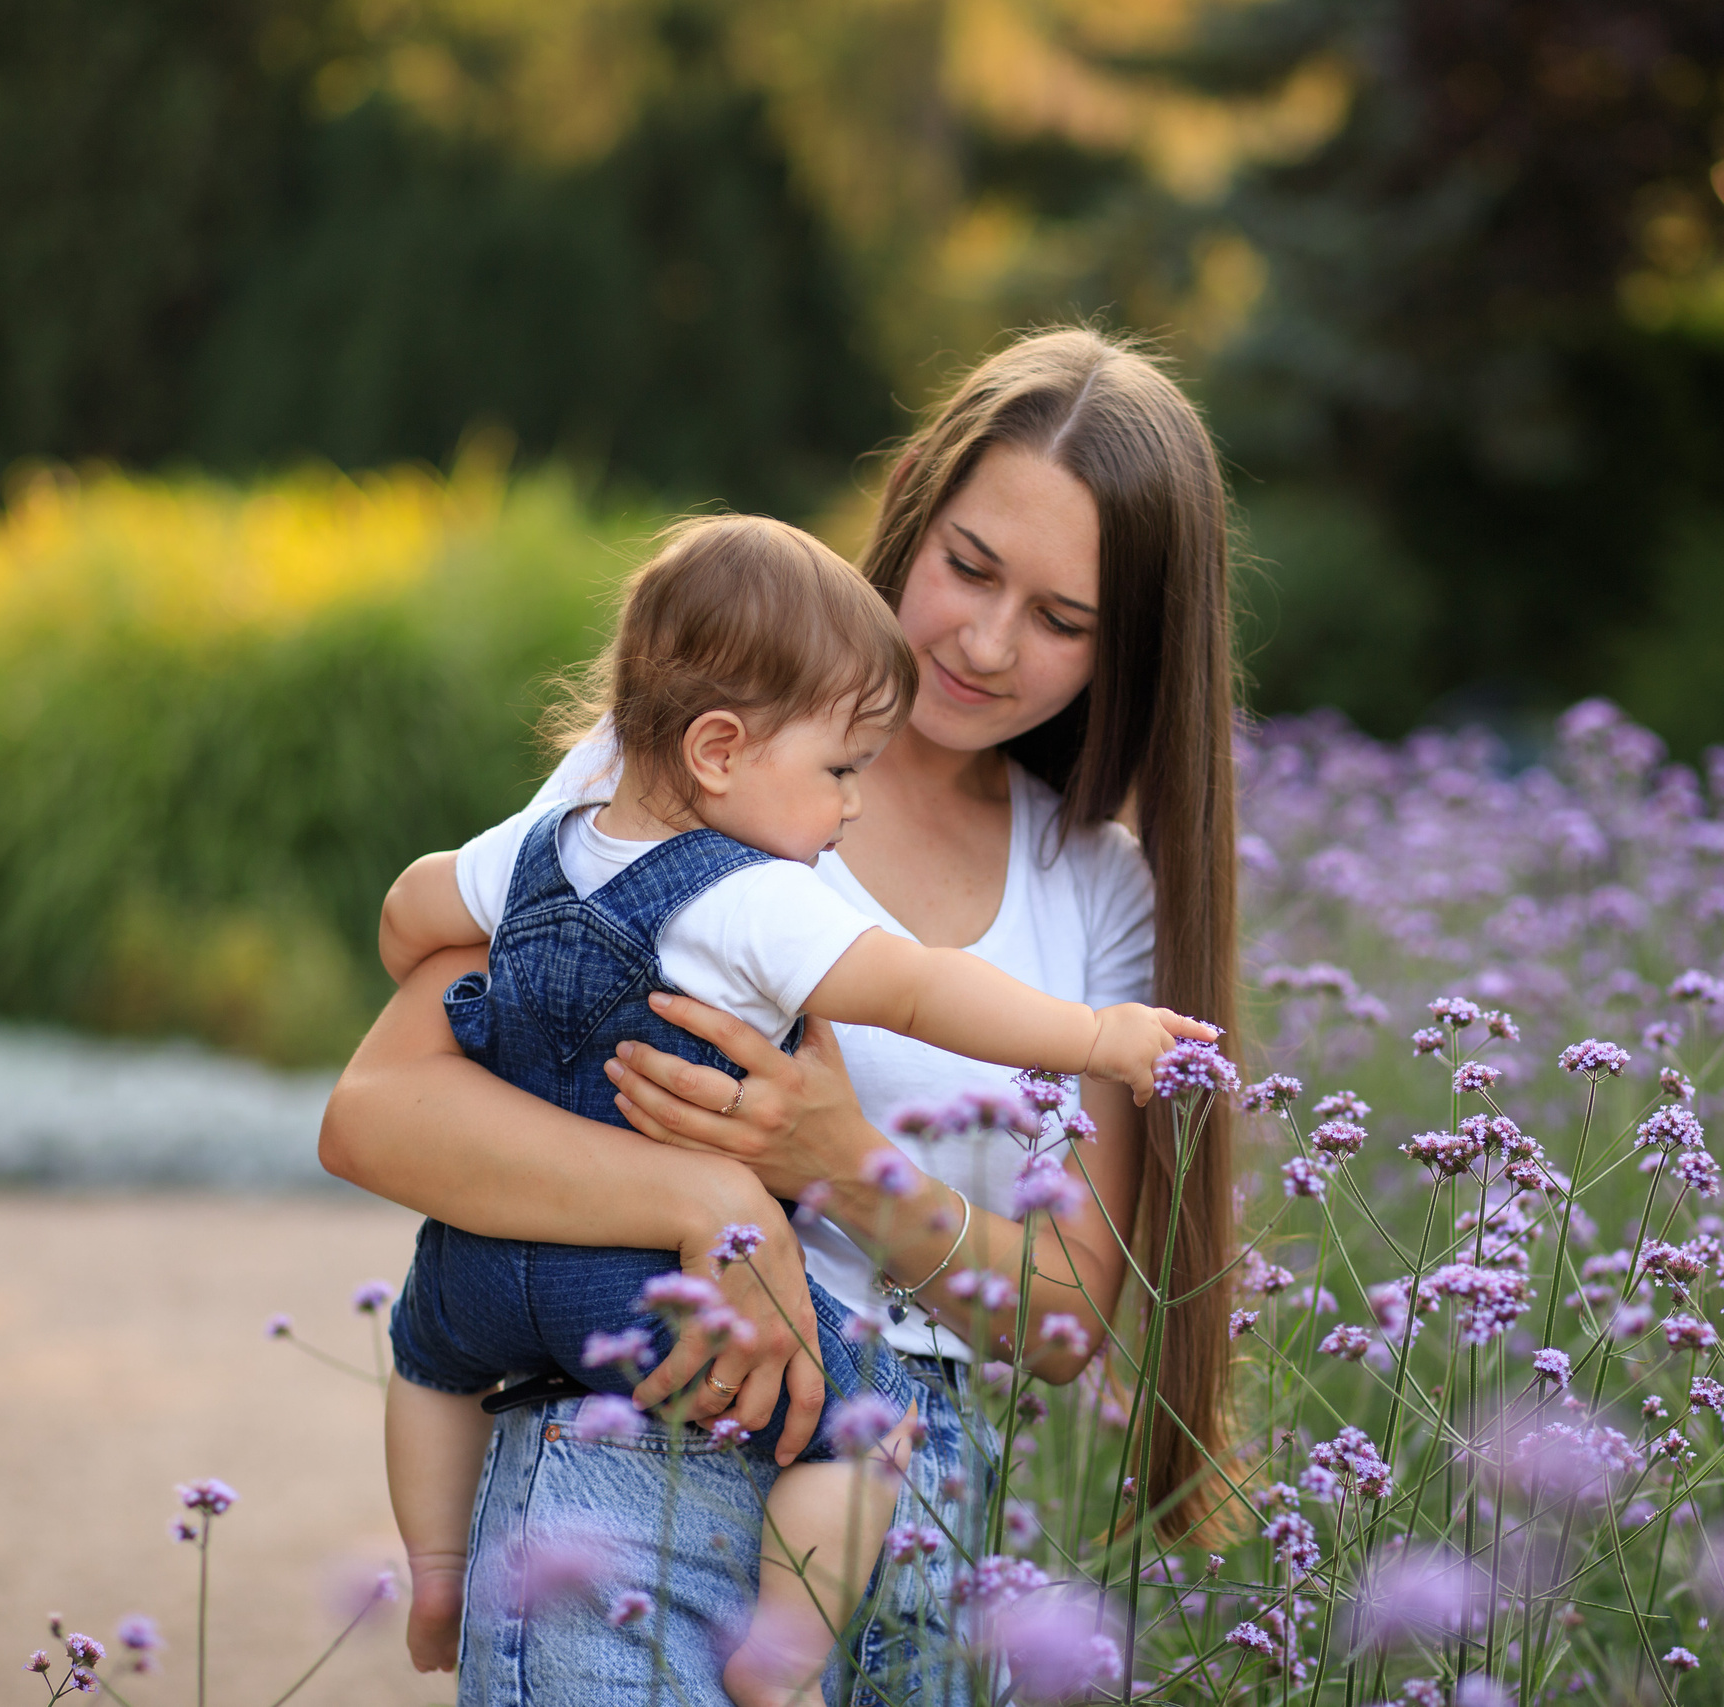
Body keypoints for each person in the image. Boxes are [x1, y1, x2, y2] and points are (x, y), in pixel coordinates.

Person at [320, 326, 1242, 1705]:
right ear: (911, 515)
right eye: (969, 569)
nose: (987, 644)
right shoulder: (695, 766)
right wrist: (706, 1200)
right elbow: (376, 1114)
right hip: (642, 1452)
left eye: (1063, 621)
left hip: (914, 1512)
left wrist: (839, 1165)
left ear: (1134, 650)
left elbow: (1064, 1321)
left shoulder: (1096, 885)